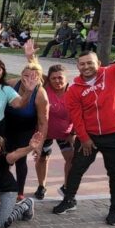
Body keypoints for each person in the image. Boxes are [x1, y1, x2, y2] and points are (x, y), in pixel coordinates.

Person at [53, 24, 115, 226]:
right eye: (82, 64)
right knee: (76, 168)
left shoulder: (113, 73)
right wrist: (85, 138)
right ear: (77, 66)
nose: (86, 67)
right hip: (89, 136)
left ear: (98, 62)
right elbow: (76, 116)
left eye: (90, 63)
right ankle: (69, 199)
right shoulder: (74, 90)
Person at [3, 63, 48, 200]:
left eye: (33, 77)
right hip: (6, 128)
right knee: (3, 159)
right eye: (26, 75)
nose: (29, 79)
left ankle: (19, 193)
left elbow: (43, 122)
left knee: (20, 161)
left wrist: (39, 144)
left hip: (25, 131)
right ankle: (3, 187)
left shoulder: (40, 94)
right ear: (21, 74)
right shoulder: (11, 84)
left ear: (39, 78)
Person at [35, 64, 74, 199]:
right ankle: (41, 186)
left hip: (65, 133)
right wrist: (30, 56)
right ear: (49, 79)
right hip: (45, 132)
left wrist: (73, 133)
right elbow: (36, 70)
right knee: (42, 157)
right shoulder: (46, 86)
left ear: (66, 78)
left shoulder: (72, 91)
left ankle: (67, 186)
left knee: (71, 158)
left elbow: (79, 114)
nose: (57, 81)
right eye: (54, 78)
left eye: (60, 78)